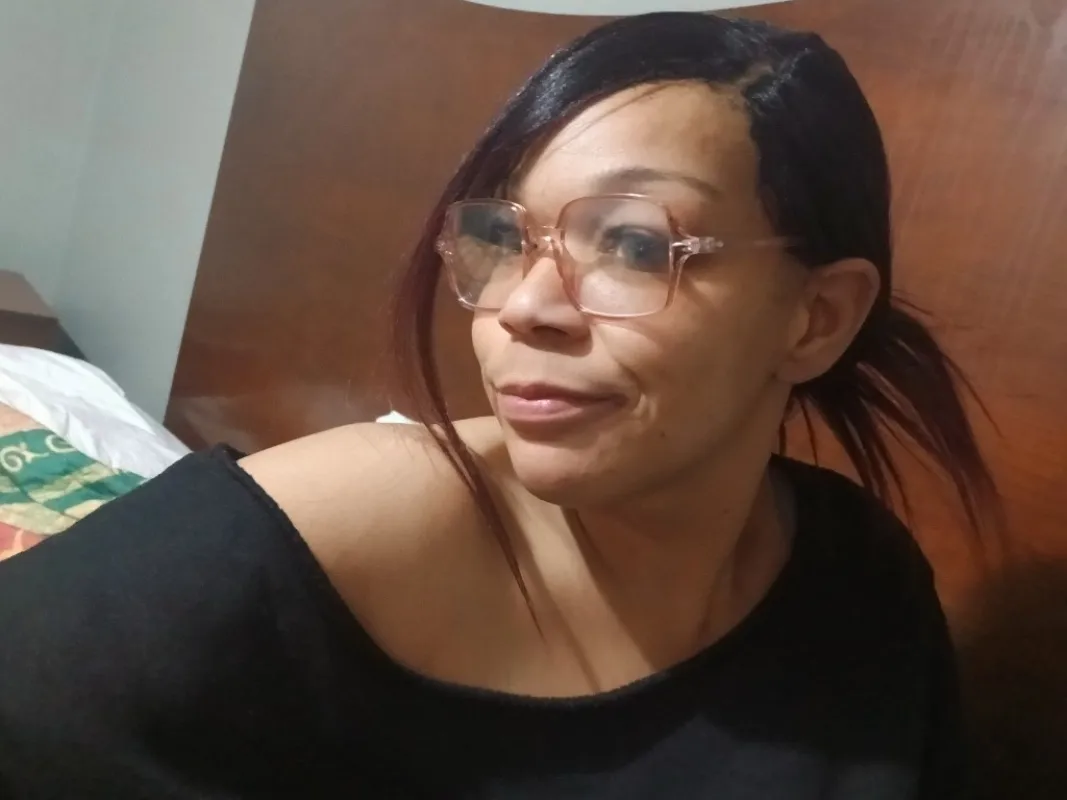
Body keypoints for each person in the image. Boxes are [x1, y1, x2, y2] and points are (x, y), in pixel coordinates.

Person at [0, 12, 996, 799]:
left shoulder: (860, 592)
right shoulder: (344, 528)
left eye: (633, 244)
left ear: (816, 319)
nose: (521, 306)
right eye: (506, 238)